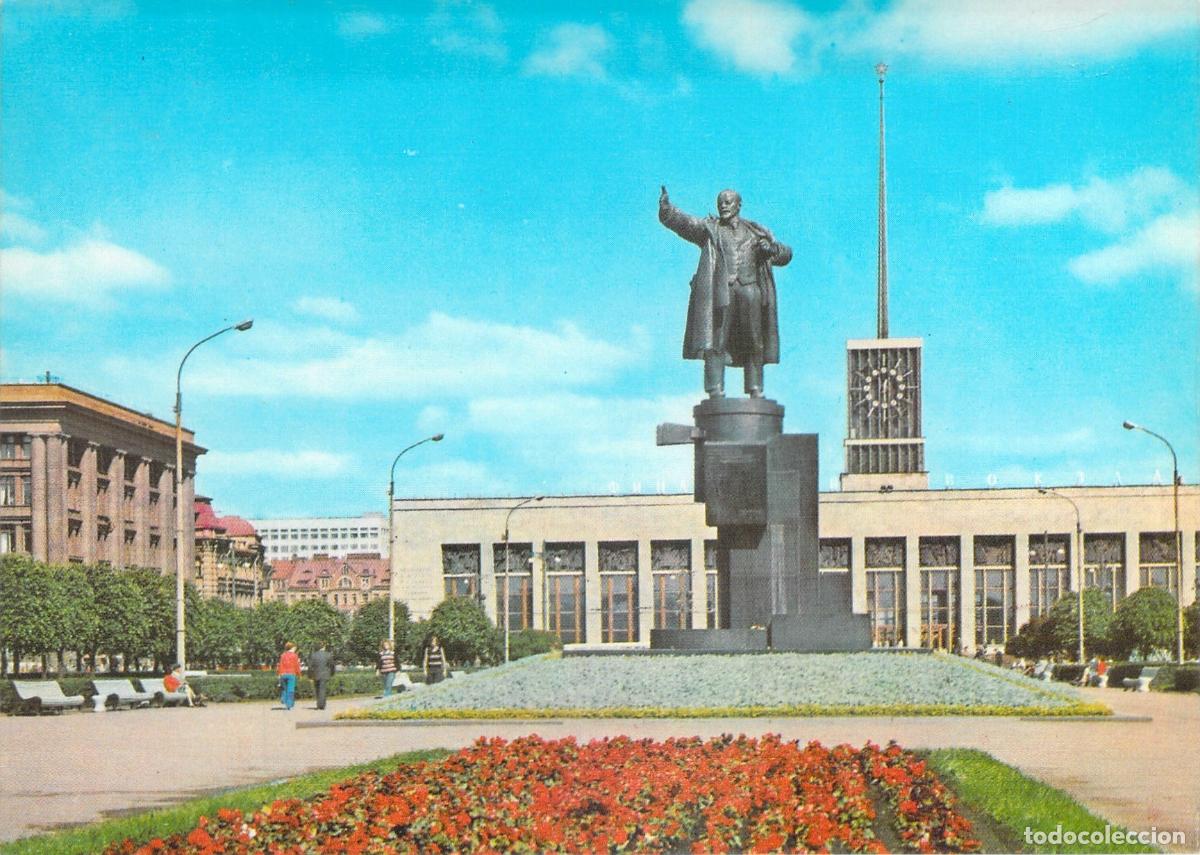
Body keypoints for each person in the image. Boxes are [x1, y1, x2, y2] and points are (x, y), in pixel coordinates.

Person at [659, 186, 793, 399]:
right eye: (720, 202)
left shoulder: (756, 232)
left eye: (728, 202)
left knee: (754, 340)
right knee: (717, 340)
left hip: (750, 291)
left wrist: (772, 249)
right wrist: (668, 211)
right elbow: (686, 224)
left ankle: (755, 388)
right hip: (723, 293)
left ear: (739, 205)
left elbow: (785, 255)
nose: (723, 205)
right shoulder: (710, 229)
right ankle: (715, 388)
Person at [307, 641, 335, 711]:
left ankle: (319, 703)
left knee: (317, 689)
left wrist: (309, 675)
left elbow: (310, 666)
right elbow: (332, 665)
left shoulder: (313, 655)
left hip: (316, 674)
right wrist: (332, 673)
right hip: (325, 674)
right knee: (323, 689)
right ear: (324, 647)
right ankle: (321, 705)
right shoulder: (328, 655)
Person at [276, 642, 301, 710]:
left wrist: (279, 674)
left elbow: (280, 665)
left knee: (284, 688)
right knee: (290, 689)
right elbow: (297, 666)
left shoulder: (283, 655)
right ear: (292, 648)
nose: (295, 649)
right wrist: (299, 674)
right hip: (291, 674)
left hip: (283, 674)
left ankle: (283, 699)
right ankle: (289, 705)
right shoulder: (294, 655)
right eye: (294, 648)